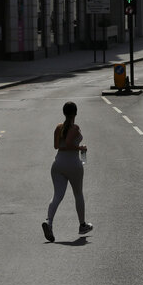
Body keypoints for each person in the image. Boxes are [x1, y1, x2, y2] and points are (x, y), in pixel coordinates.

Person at [43, 101, 92, 242]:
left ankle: (49, 222)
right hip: (73, 164)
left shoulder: (58, 127)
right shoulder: (75, 127)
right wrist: (81, 148)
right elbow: (70, 143)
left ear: (64, 113)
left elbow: (56, 146)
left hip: (57, 163)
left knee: (57, 195)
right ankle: (82, 225)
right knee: (78, 194)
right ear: (75, 113)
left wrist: (68, 146)